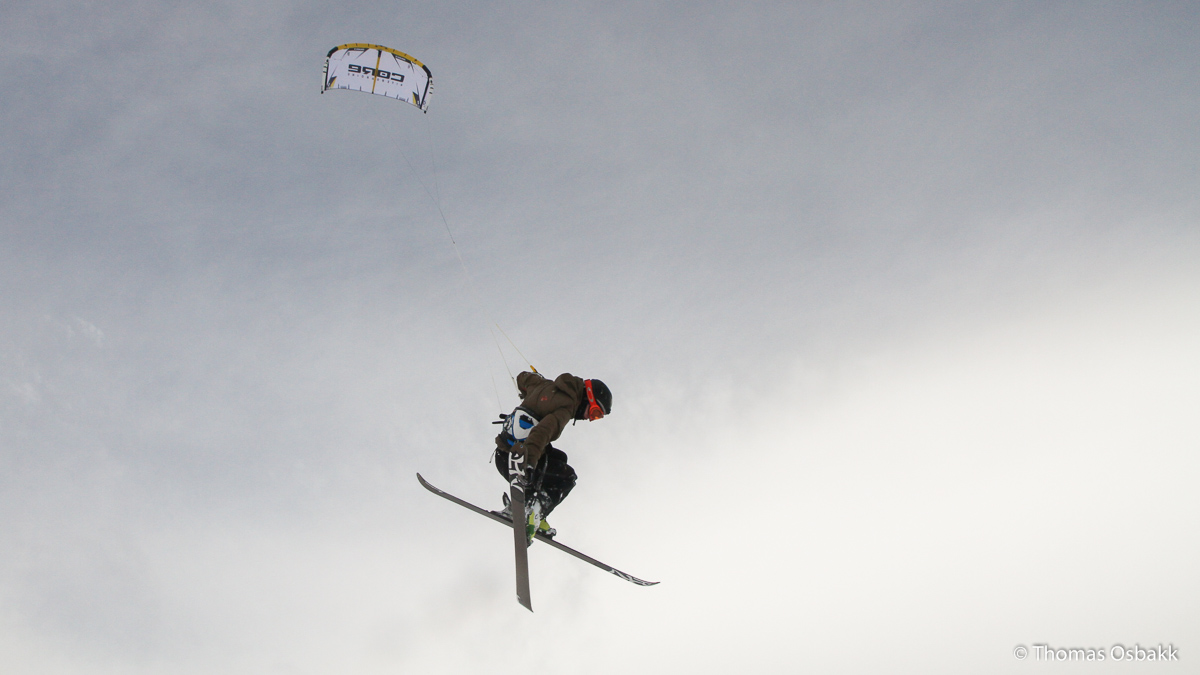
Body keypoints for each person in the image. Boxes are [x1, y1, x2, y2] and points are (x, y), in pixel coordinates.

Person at [494, 371, 612, 538]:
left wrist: (530, 394)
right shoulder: (566, 406)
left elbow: (523, 378)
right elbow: (542, 433)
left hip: (502, 454)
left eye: (597, 417)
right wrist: (528, 464)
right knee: (567, 477)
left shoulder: (543, 384)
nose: (590, 418)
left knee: (560, 458)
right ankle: (532, 511)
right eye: (595, 413)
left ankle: (531, 508)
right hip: (516, 463)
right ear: (589, 398)